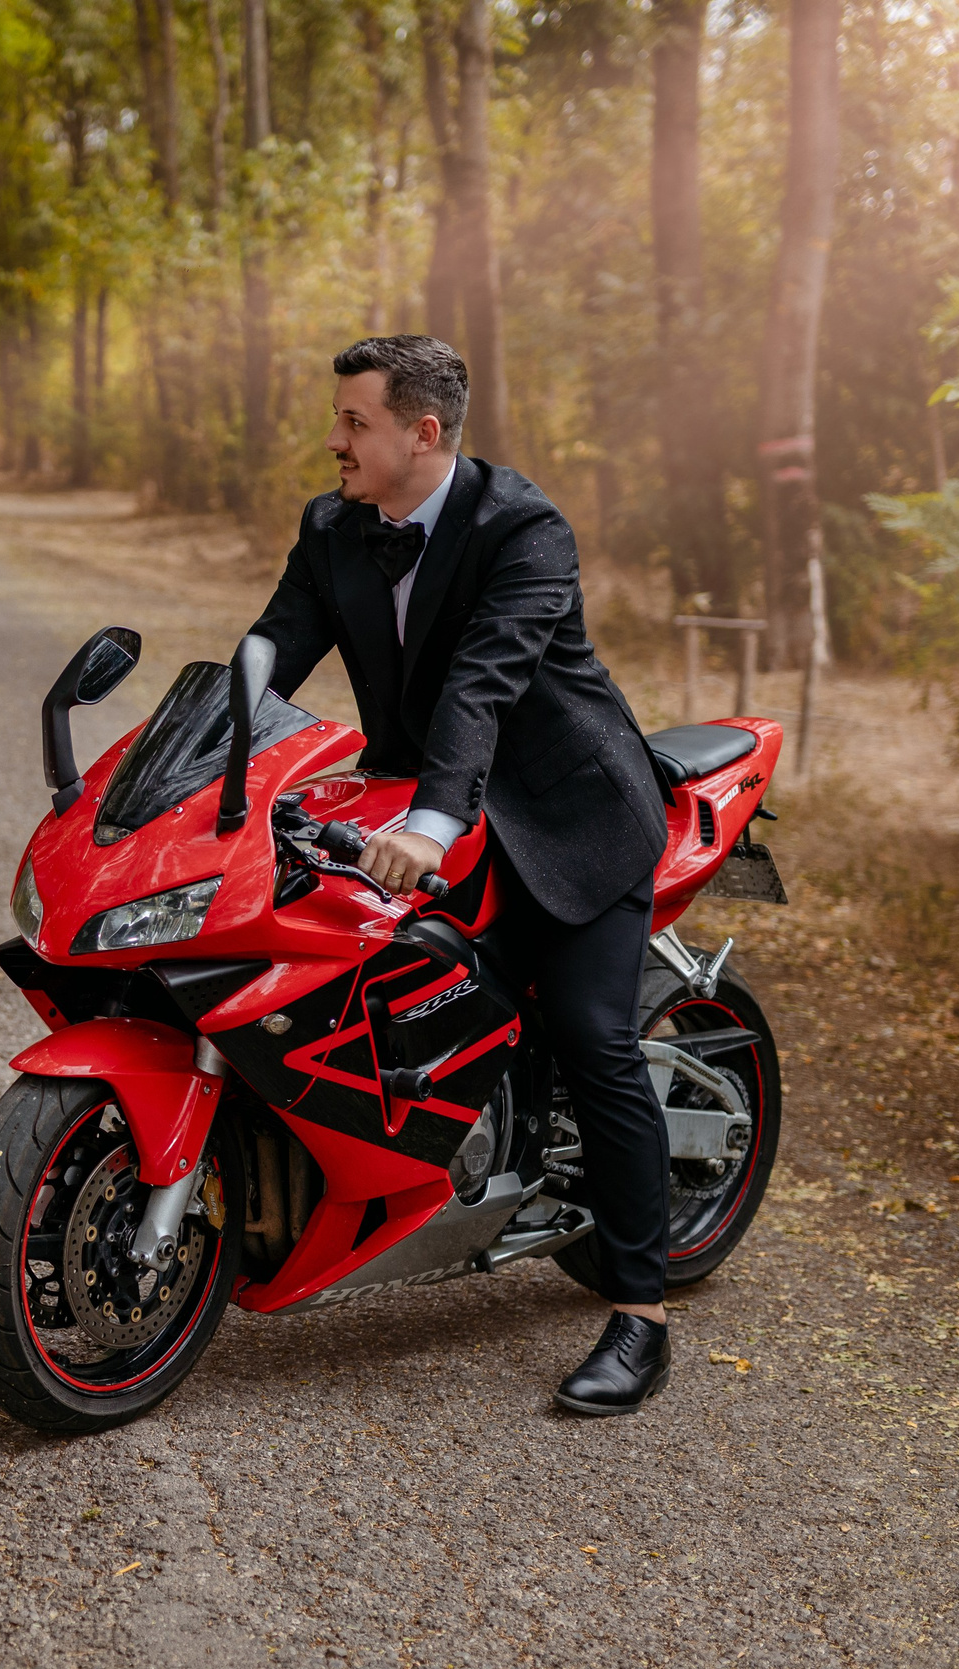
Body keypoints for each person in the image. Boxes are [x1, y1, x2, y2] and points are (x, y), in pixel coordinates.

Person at [247, 335, 677, 1416]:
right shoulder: (332, 523)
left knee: (592, 1037)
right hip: (423, 801)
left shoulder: (520, 527)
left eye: (353, 421)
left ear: (419, 433)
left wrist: (437, 820)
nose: (333, 439)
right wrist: (200, 746)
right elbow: (273, 645)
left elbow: (482, 684)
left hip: (563, 811)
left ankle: (641, 1316)